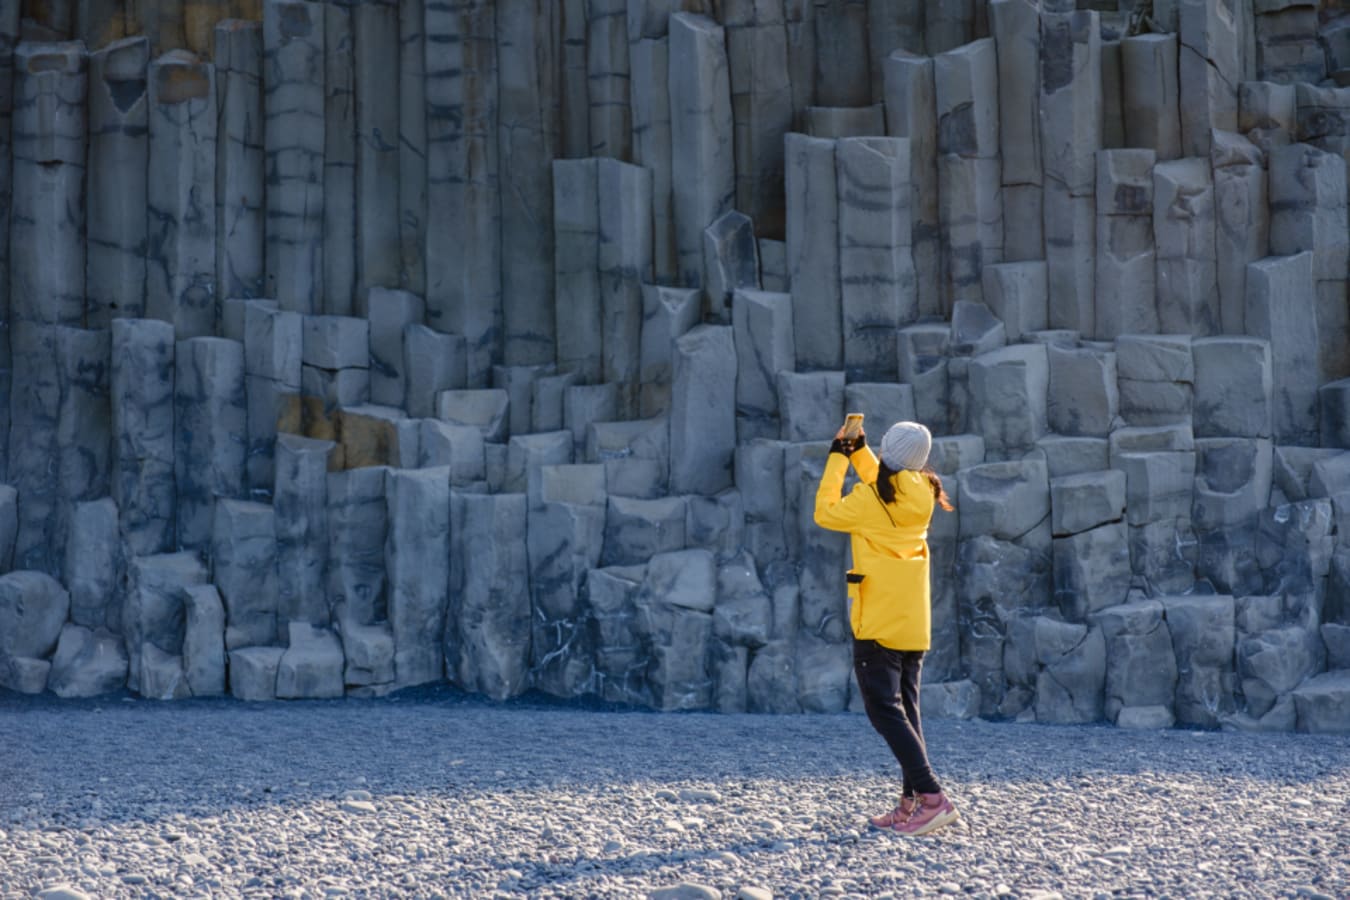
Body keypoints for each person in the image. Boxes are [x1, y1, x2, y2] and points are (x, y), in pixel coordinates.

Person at [812, 418, 958, 837]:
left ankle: (933, 799)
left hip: (877, 617)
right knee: (907, 713)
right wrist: (858, 448)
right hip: (912, 618)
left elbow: (825, 512)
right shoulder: (923, 490)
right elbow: (884, 477)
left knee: (883, 710)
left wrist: (838, 458)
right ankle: (911, 804)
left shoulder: (870, 498)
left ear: (889, 451)